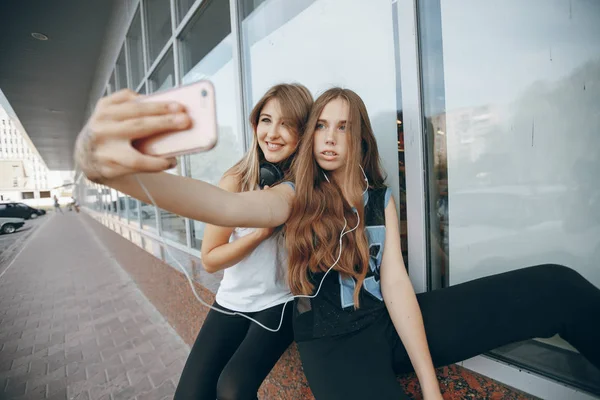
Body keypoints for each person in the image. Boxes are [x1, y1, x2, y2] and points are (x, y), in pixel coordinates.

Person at [75, 87, 600, 400]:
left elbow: (395, 286)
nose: (328, 136)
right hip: (331, 344)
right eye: (320, 124)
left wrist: (433, 389)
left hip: (384, 324)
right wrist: (112, 172)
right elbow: (225, 208)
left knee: (558, 287)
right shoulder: (292, 194)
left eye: (341, 126)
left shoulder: (378, 195)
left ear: (359, 138)